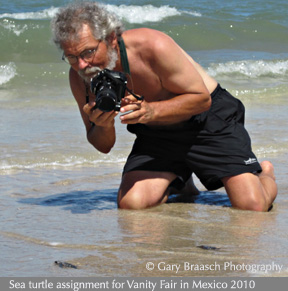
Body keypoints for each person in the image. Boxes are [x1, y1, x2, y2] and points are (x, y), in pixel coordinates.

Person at [51, 2, 277, 211]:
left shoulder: (151, 46)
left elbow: (201, 99)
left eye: (88, 52)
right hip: (157, 131)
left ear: (111, 38)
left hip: (207, 119)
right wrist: (104, 125)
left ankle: (265, 173)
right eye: (71, 56)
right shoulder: (81, 77)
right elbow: (102, 145)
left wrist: (150, 111)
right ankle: (181, 181)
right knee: (131, 204)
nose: (81, 64)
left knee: (252, 206)